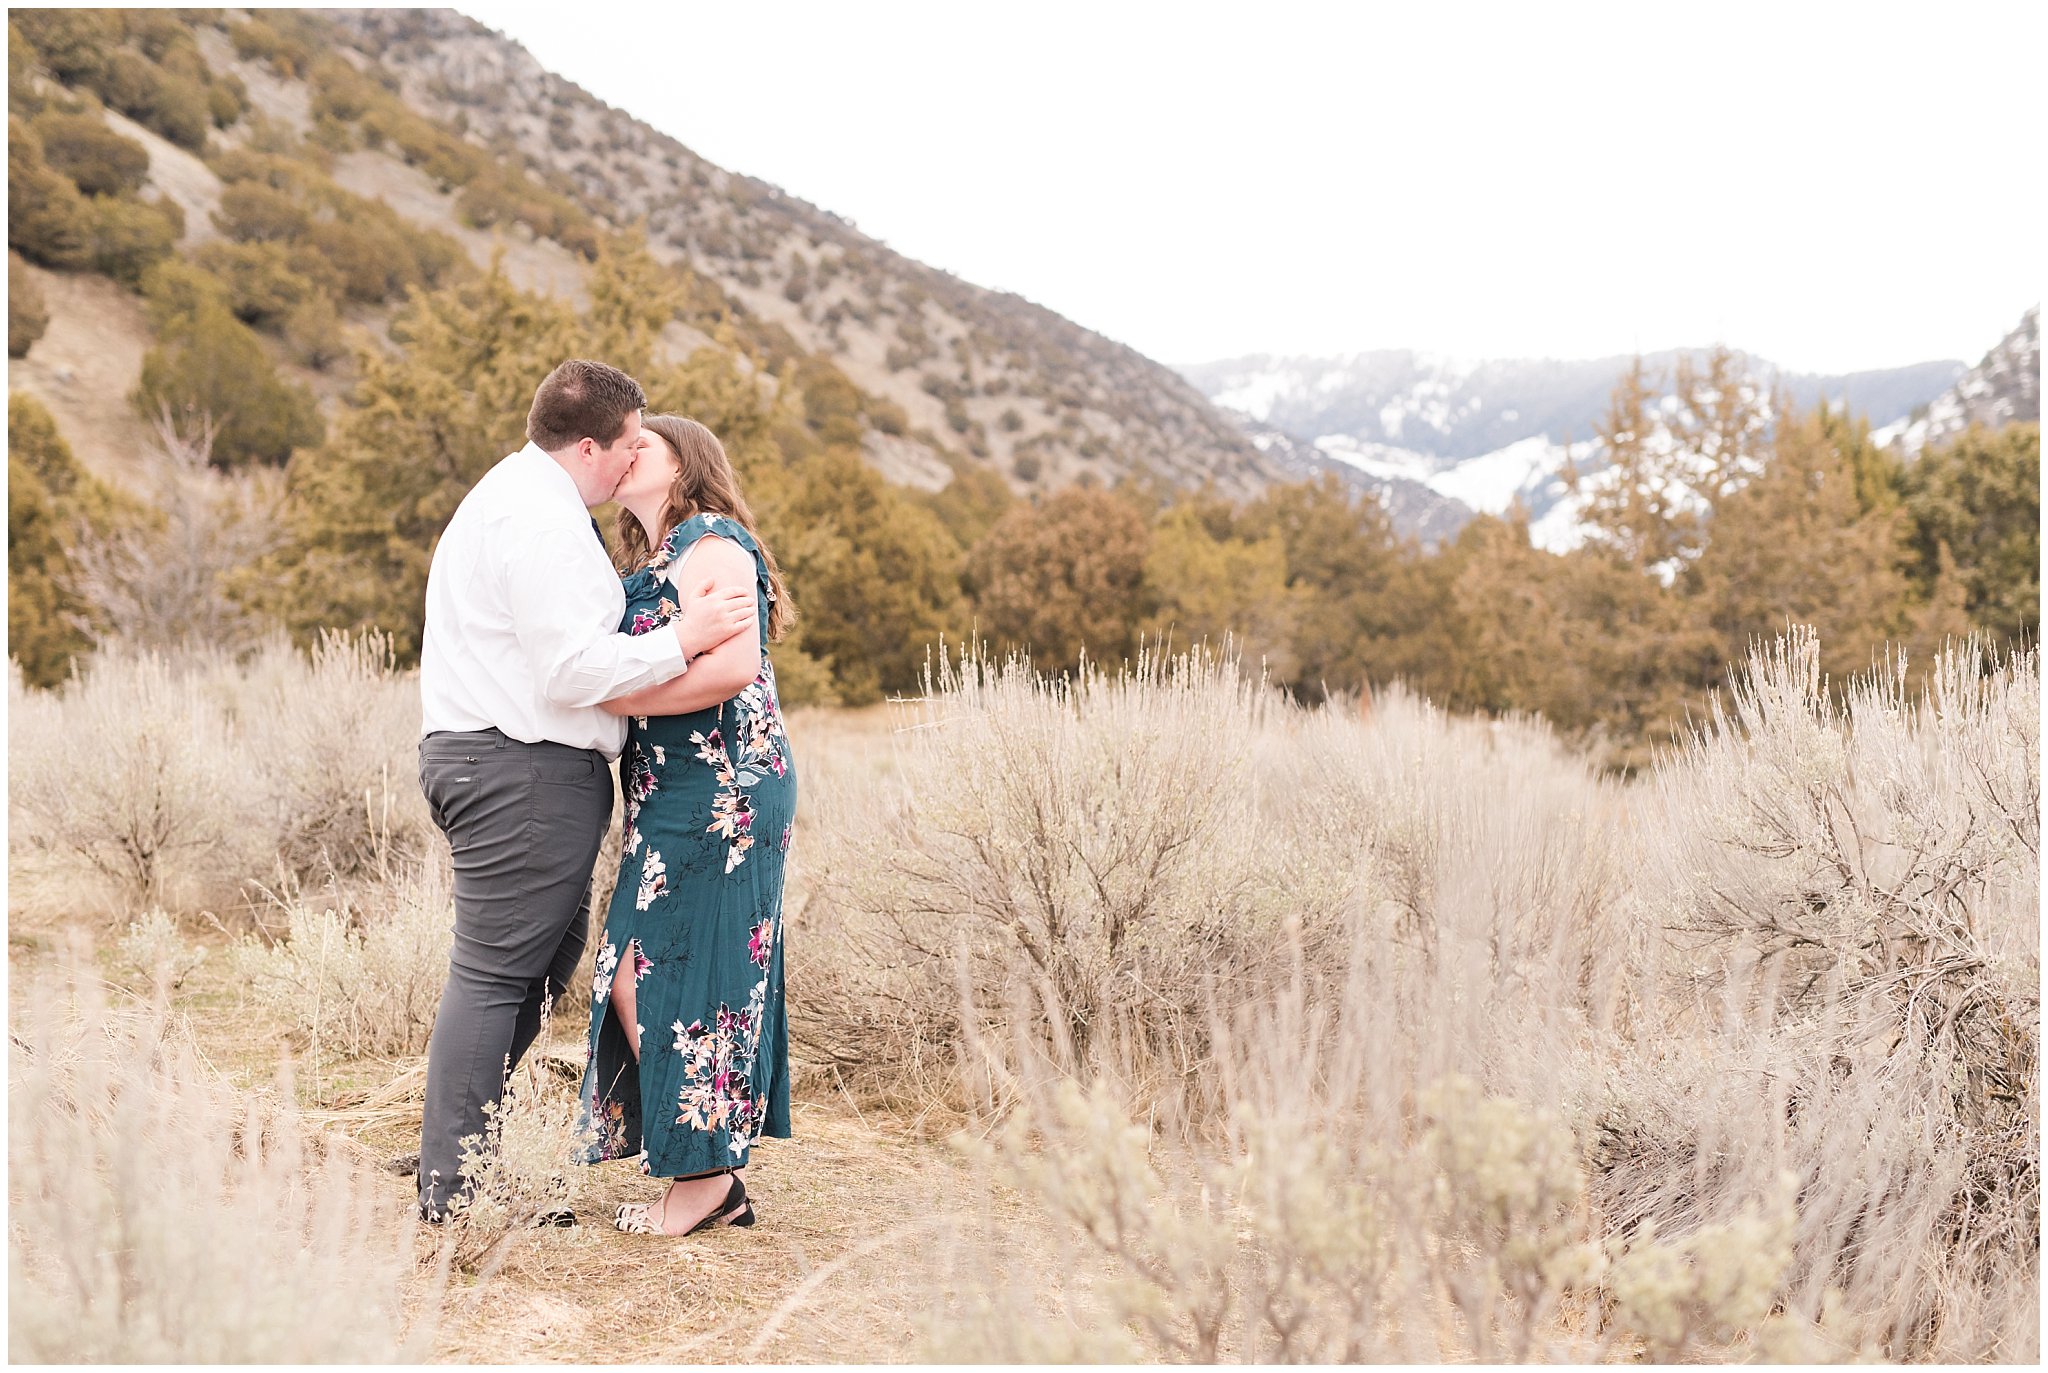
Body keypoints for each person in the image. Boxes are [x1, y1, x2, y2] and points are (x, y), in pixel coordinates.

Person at [414, 361, 757, 1222]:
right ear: (592, 445)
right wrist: (682, 639)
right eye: (632, 441)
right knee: (498, 975)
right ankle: (457, 1188)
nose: (638, 454)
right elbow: (568, 667)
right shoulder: (537, 518)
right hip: (515, 767)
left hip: (515, 764)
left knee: (534, 970)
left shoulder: (530, 502)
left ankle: (458, 1151)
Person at [577, 413, 798, 1236]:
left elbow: (735, 667)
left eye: (649, 441)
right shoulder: (653, 558)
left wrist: (619, 696)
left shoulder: (714, 538)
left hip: (726, 786)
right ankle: (714, 1175)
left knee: (660, 969)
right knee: (642, 966)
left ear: (685, 465)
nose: (631, 449)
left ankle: (706, 1180)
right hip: (670, 791)